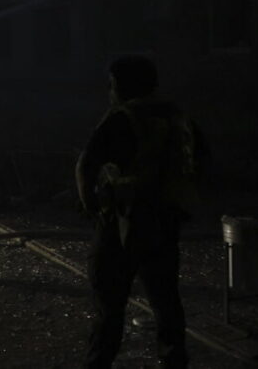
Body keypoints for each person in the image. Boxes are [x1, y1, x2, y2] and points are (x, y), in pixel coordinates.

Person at [76, 56, 207, 369]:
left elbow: (86, 166)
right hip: (165, 224)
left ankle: (97, 364)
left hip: (123, 222)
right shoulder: (178, 116)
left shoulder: (123, 118)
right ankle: (174, 362)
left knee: (109, 306)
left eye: (111, 85)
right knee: (166, 302)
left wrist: (92, 207)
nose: (109, 92)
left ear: (122, 86)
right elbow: (202, 162)